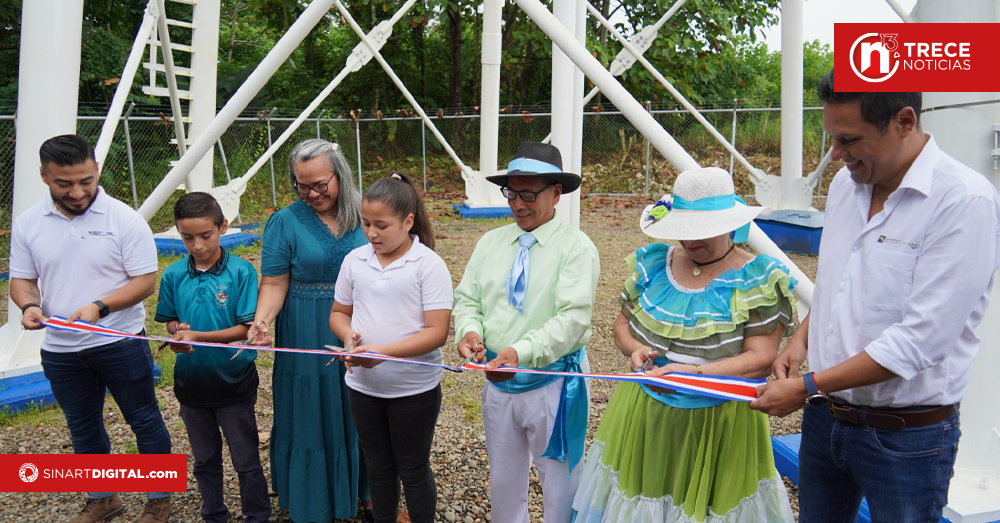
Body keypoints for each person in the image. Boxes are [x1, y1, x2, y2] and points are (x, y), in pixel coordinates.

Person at [751, 70, 1000, 523]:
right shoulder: (849, 183)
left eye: (849, 139)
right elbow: (837, 282)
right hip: (828, 417)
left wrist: (806, 386)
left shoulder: (963, 202)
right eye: (831, 137)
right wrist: (800, 343)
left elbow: (919, 341)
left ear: (905, 121)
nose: (836, 155)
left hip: (907, 437)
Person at [572, 167, 796, 522]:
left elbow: (761, 359)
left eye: (701, 232)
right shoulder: (655, 264)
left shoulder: (757, 279)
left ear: (728, 224)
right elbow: (620, 325)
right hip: (644, 413)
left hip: (717, 423)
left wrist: (693, 372)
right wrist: (633, 349)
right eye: (684, 232)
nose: (690, 242)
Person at [8, 134, 172, 523]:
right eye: (64, 183)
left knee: (144, 420)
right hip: (61, 349)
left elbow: (145, 281)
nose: (78, 191)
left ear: (97, 169)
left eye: (86, 180)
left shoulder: (125, 219)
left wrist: (101, 307)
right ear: (44, 176)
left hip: (120, 341)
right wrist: (29, 306)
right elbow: (21, 280)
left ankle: (158, 498)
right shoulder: (29, 223)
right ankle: (104, 498)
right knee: (82, 426)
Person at [453, 141, 600, 523]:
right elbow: (468, 299)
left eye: (529, 193)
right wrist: (469, 332)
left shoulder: (576, 249)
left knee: (559, 484)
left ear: (556, 193)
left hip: (554, 384)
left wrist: (521, 351)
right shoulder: (490, 243)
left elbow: (572, 320)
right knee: (502, 480)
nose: (517, 203)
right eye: (511, 192)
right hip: (499, 381)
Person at [247, 139, 371, 522]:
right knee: (309, 410)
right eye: (303, 185)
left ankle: (367, 492)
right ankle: (311, 499)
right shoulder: (285, 221)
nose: (313, 193)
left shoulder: (368, 211)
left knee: (362, 406)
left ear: (341, 175)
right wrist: (263, 319)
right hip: (304, 327)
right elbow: (273, 282)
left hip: (360, 324)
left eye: (320, 183)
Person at [329, 172, 453, 523]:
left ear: (408, 221)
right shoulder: (355, 260)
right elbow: (339, 313)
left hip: (414, 389)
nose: (371, 233)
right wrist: (348, 337)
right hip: (363, 387)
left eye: (381, 225)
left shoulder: (428, 265)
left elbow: (437, 332)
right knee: (379, 468)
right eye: (366, 223)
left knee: (412, 469)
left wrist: (382, 352)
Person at [153, 192, 270, 523]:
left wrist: (198, 336)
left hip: (233, 383)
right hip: (191, 384)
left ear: (223, 227)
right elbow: (171, 320)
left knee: (245, 458)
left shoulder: (241, 272)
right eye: (187, 237)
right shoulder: (174, 274)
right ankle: (213, 512)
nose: (197, 245)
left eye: (206, 235)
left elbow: (245, 328)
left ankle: (257, 514)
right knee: (204, 459)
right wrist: (178, 331)